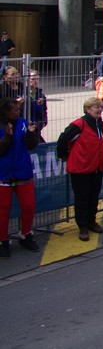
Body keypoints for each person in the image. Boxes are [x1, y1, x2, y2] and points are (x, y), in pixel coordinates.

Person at [57, 97, 103, 241]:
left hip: (97, 167)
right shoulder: (79, 124)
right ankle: (83, 226)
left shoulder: (102, 125)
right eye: (96, 107)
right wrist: (64, 155)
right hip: (81, 168)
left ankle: (91, 221)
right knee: (82, 198)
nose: (100, 109)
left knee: (94, 196)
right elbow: (63, 139)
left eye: (101, 107)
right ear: (87, 109)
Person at [0, 97, 40, 257]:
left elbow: (31, 145)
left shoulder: (23, 123)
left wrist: (31, 133)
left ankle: (25, 234)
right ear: (6, 112)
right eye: (15, 109)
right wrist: (8, 136)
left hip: (22, 171)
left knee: (28, 205)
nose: (19, 111)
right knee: (3, 210)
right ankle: (3, 240)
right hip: (3, 173)